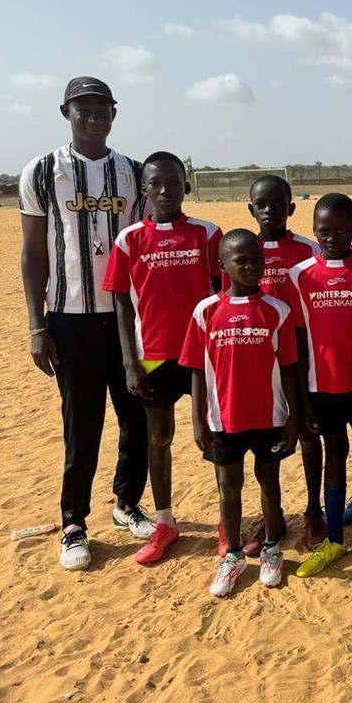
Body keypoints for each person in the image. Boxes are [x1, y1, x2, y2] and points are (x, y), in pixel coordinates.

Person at [19, 76, 151, 571]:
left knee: (135, 415)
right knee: (82, 424)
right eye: (84, 109)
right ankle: (74, 522)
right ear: (66, 112)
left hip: (125, 316)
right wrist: (37, 325)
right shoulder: (41, 171)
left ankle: (127, 502)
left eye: (103, 109)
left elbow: (145, 245)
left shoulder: (133, 173)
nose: (94, 117)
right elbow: (33, 254)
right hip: (70, 318)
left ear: (114, 114)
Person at [103, 151, 222, 566]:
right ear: (145, 189)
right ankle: (166, 521)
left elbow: (223, 292)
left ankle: (228, 525)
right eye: (156, 183)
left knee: (215, 441)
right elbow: (121, 303)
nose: (166, 190)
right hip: (152, 356)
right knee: (159, 439)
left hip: (203, 356)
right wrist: (129, 361)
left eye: (174, 182)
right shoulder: (130, 238)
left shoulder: (208, 234)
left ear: (185, 185)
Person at [180, 230, 301, 596]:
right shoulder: (205, 311)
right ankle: (232, 554)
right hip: (223, 419)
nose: (251, 266)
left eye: (257, 260)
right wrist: (198, 418)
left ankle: (271, 548)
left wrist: (294, 416)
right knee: (228, 487)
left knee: (269, 483)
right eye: (241, 261)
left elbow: (291, 367)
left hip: (270, 417)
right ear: (222, 266)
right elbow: (197, 369)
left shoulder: (278, 311)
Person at [288, 193, 352, 580]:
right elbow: (299, 342)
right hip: (321, 388)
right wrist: (304, 399)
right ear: (314, 230)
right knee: (335, 456)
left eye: (340, 230)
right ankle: (333, 539)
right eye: (323, 230)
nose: (331, 237)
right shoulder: (299, 276)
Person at [236, 174, 322, 553]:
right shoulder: (240, 251)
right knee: (263, 442)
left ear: (290, 207)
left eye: (277, 203)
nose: (269, 210)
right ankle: (270, 518)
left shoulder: (307, 251)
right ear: (250, 208)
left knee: (307, 432)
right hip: (256, 364)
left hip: (299, 357)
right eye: (262, 203)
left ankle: (313, 510)